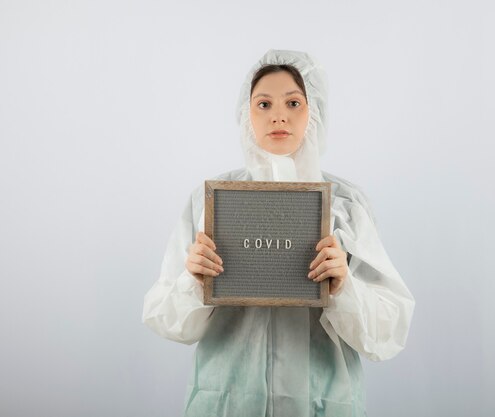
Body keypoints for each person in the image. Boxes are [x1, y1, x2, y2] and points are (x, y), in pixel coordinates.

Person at [142, 49, 415, 417]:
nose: (279, 115)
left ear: (313, 110)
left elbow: (389, 330)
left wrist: (344, 287)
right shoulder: (210, 203)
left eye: (294, 102)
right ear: (246, 114)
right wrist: (193, 281)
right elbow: (164, 318)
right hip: (228, 402)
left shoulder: (346, 206)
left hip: (322, 402)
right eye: (264, 104)